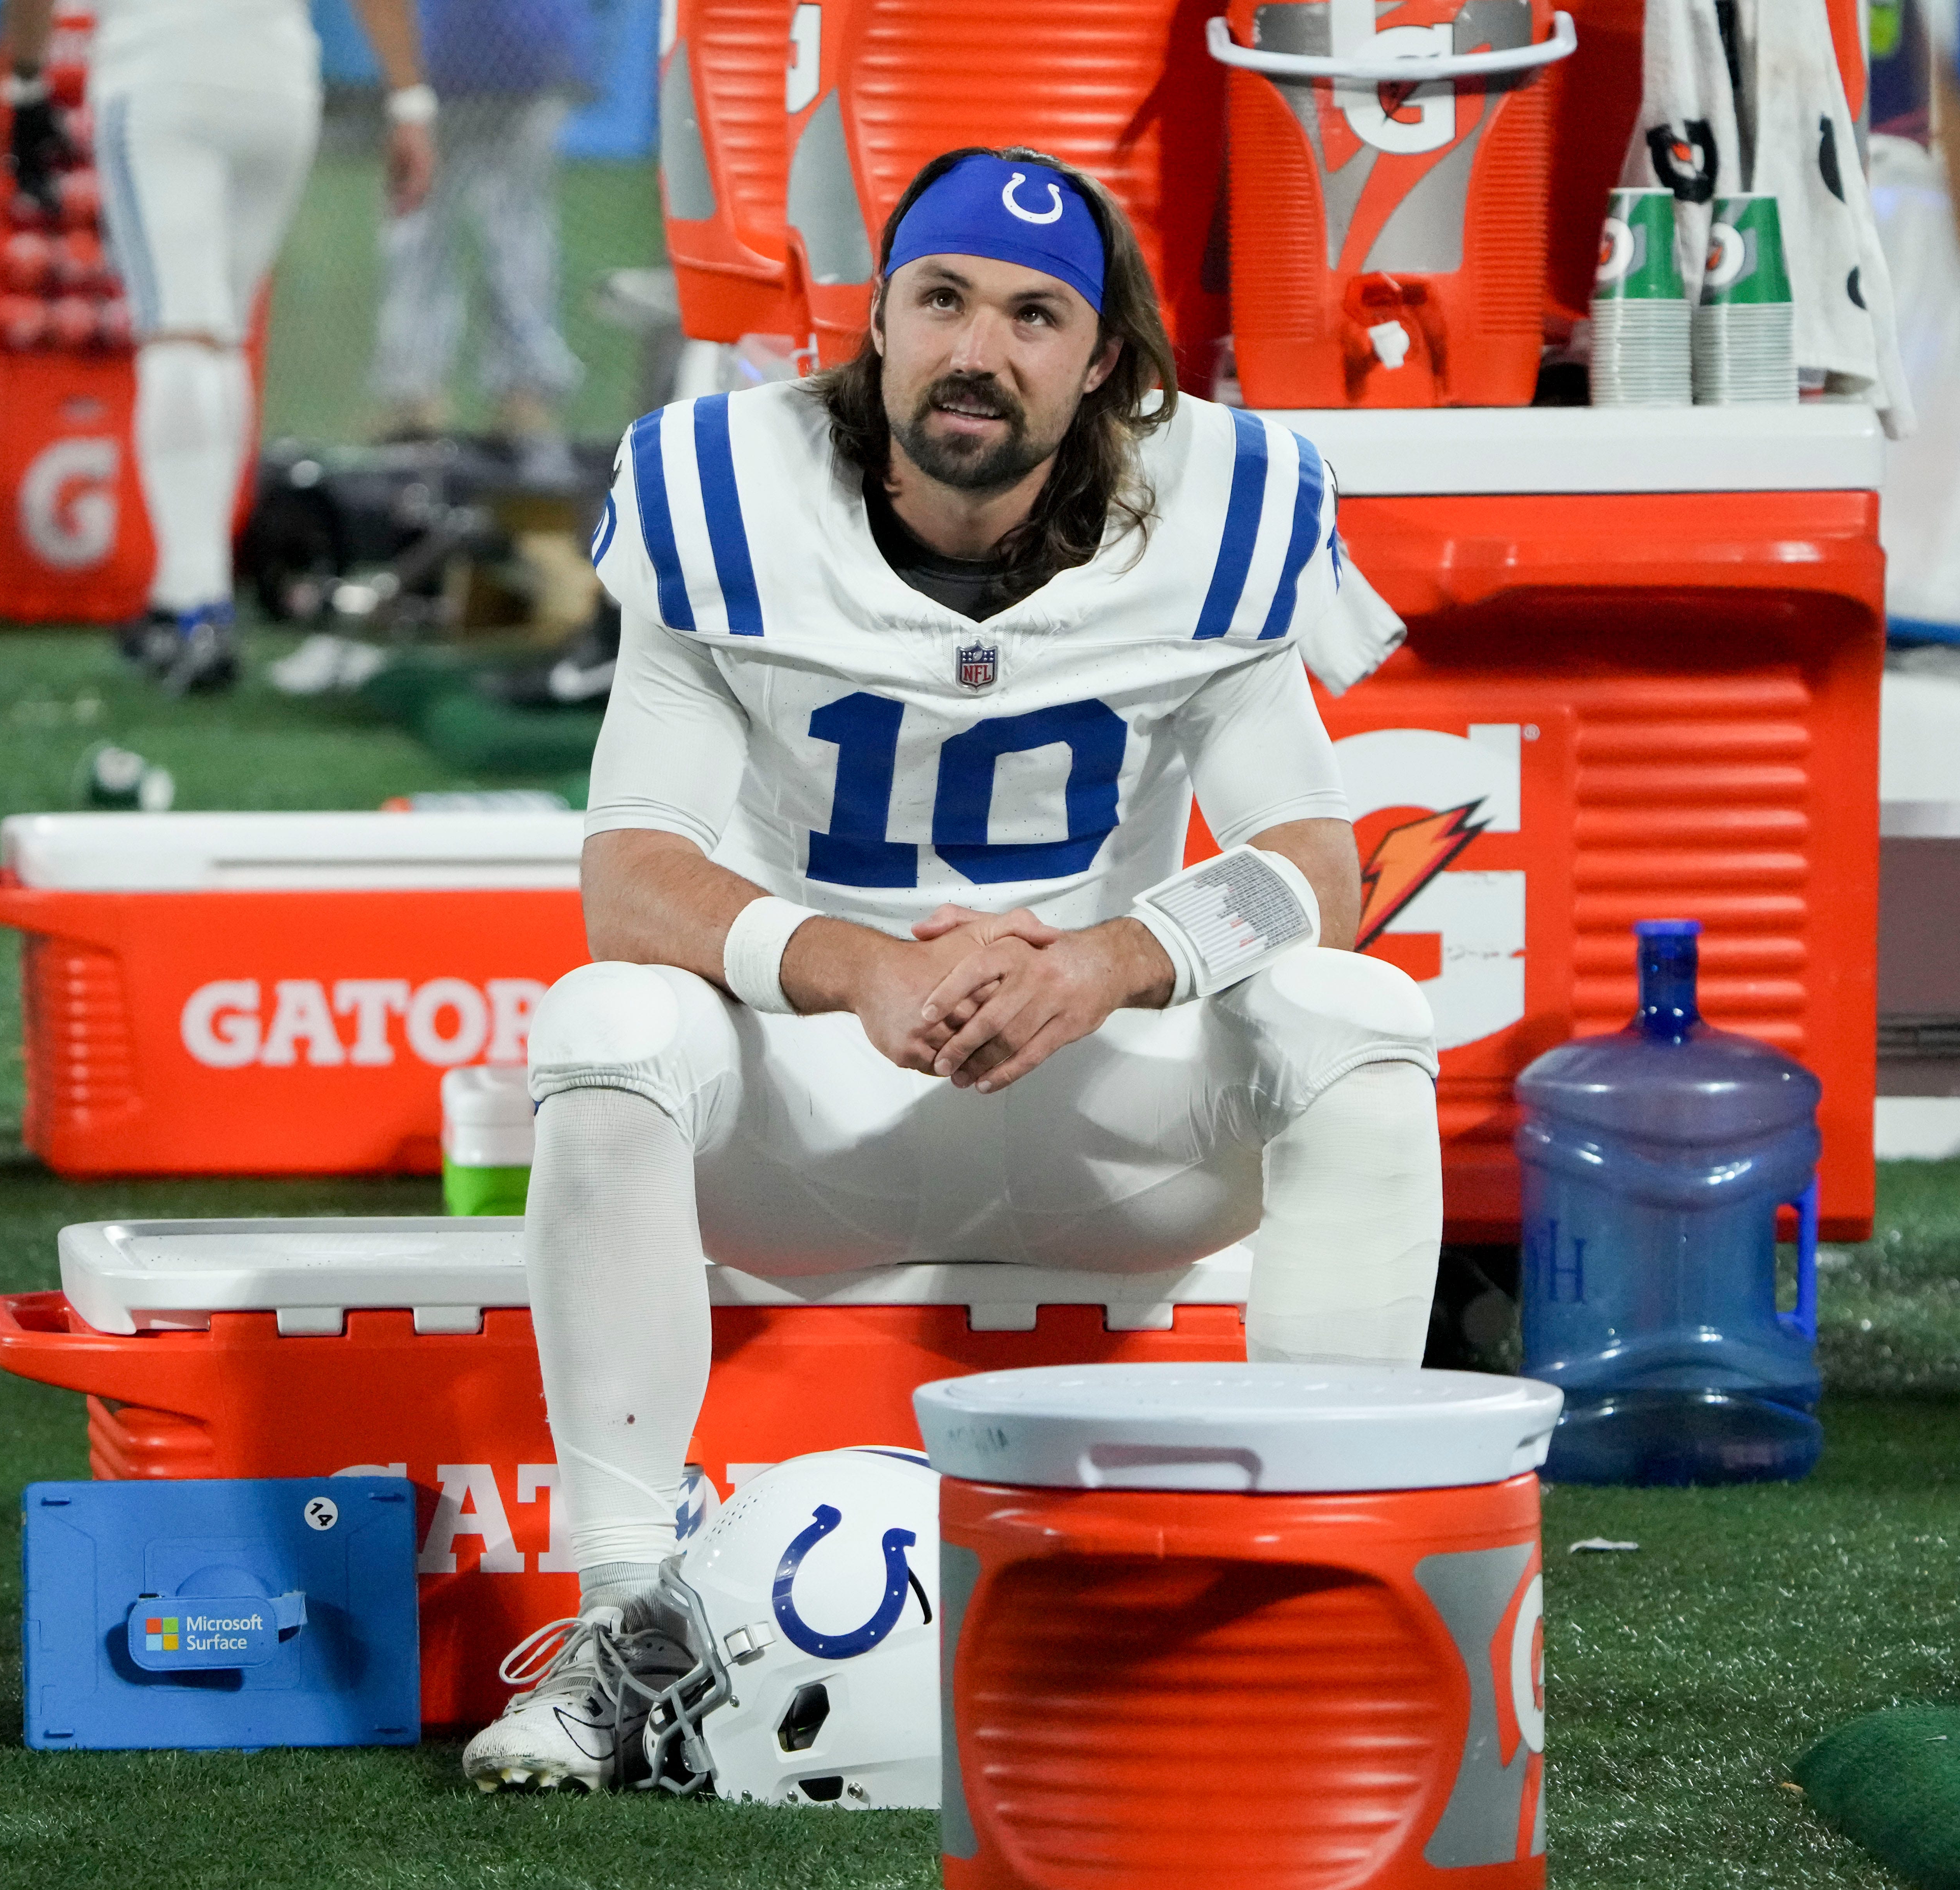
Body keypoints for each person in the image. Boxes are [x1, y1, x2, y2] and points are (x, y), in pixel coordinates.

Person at [458, 148, 1443, 1793]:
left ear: (1106, 363)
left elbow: (1316, 868)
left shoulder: (1213, 507)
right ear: (874, 320)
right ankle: (620, 1634)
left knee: (1358, 1014)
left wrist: (1117, 957)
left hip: (1094, 1114)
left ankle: (1294, 1599)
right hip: (818, 1120)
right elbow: (627, 871)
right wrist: (848, 967)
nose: (973, 347)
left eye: (1031, 315)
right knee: (606, 1022)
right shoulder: (729, 489)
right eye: (939, 299)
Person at [0, 0, 432, 695]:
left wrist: (24, 77)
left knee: (180, 335)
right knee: (218, 336)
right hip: (279, 79)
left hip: (161, 67)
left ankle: (199, 606)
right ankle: (179, 594)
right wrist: (411, 99)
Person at [368, 0, 591, 487]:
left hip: (468, 59)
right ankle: (499, 395)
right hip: (485, 58)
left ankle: (438, 397)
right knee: (504, 232)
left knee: (457, 233)